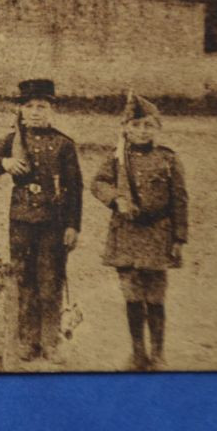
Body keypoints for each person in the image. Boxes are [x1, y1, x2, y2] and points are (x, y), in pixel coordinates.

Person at [0, 78, 84, 362]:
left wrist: (73, 226)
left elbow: (75, 189)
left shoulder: (64, 145)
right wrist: (5, 163)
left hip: (53, 223)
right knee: (24, 280)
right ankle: (28, 340)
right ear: (21, 111)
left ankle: (51, 341)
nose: (36, 112)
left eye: (42, 106)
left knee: (51, 282)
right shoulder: (14, 141)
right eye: (29, 106)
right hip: (22, 222)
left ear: (52, 111)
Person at [91, 93, 188, 370]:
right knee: (132, 297)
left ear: (158, 128)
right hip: (127, 236)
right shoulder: (116, 159)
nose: (142, 131)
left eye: (148, 125)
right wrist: (116, 198)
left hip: (159, 236)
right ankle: (137, 353)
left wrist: (179, 237)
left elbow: (180, 199)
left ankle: (158, 354)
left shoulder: (168, 159)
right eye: (135, 125)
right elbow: (98, 183)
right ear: (125, 128)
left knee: (155, 297)